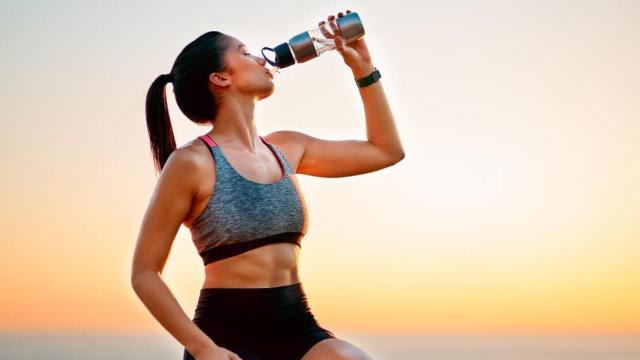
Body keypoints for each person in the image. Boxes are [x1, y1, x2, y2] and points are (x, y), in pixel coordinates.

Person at [131, 9, 404, 360]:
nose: (260, 57)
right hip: (225, 339)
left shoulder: (287, 148)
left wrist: (363, 68)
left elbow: (385, 151)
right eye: (244, 52)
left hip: (298, 328)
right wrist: (204, 349)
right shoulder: (191, 163)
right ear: (220, 78)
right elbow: (144, 273)